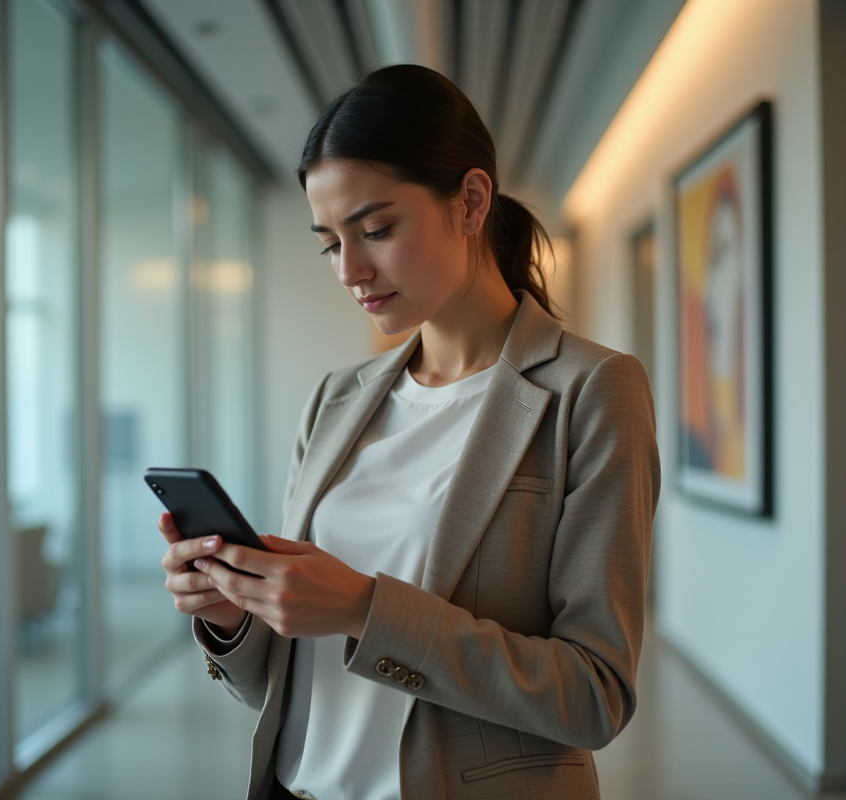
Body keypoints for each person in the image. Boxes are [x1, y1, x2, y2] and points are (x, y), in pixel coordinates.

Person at [159, 64, 660, 800]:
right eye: (330, 243)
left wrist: (366, 607)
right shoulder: (336, 401)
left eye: (377, 229)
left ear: (471, 201)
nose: (351, 271)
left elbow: (592, 696)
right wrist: (238, 614)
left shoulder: (590, 391)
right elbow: (292, 684)